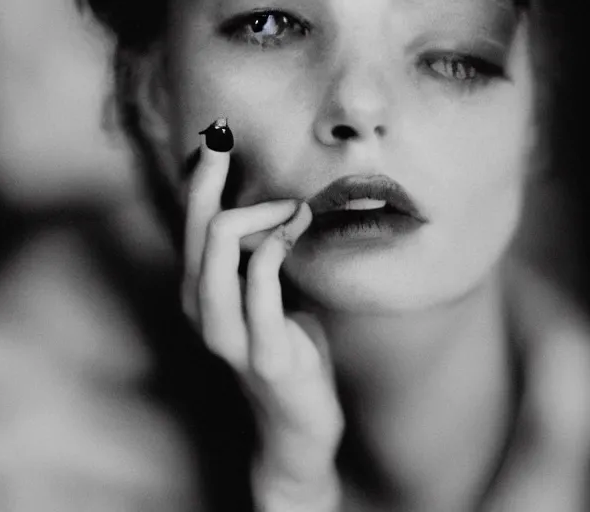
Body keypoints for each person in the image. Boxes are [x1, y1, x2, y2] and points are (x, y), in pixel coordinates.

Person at [81, 0, 590, 510]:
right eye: (269, 26)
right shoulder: (40, 447)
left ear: (537, 110)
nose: (359, 107)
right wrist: (294, 487)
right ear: (153, 93)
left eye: (452, 54)